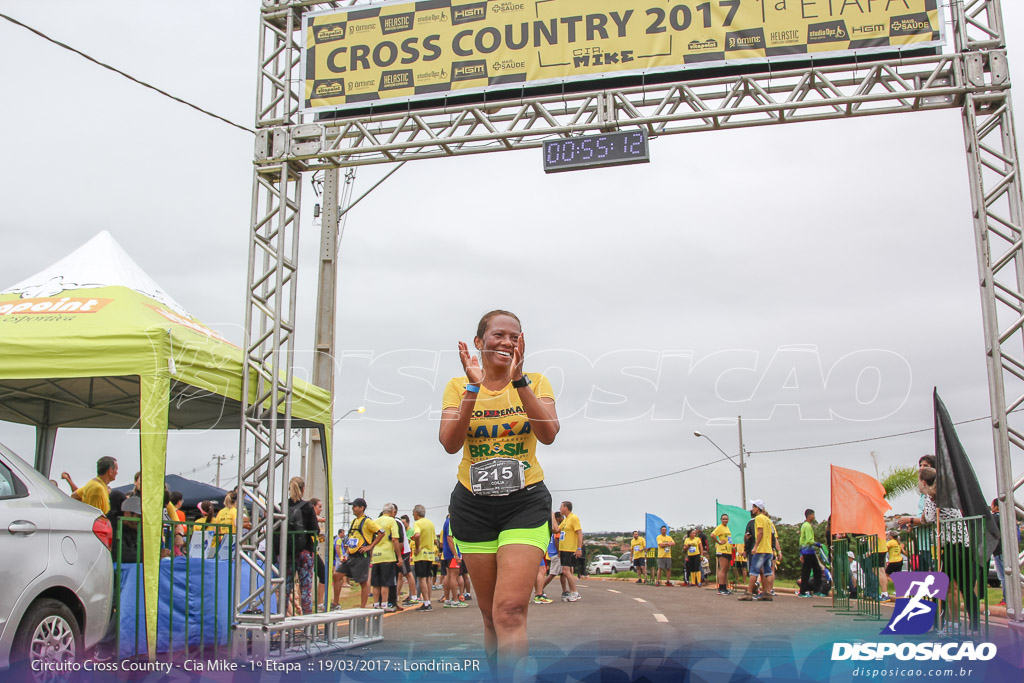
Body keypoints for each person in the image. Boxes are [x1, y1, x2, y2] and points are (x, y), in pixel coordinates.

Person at [438, 310, 560, 674]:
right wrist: (473, 388)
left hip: (524, 504)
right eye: (498, 335)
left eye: (515, 336)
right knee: (490, 615)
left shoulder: (536, 382)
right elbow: (449, 443)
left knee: (509, 611)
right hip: (473, 508)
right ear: (479, 342)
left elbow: (549, 433)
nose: (507, 342)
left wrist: (519, 381)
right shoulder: (459, 387)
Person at [334, 498, 383, 609]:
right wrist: (346, 554)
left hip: (362, 556)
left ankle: (362, 607)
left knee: (362, 582)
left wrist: (370, 546)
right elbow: (351, 539)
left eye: (355, 506)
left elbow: (381, 532)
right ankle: (336, 604)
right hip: (351, 556)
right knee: (336, 575)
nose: (353, 508)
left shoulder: (367, 521)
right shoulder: (354, 521)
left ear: (362, 508)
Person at [282, 477, 319, 615]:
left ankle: (282, 618)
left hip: (286, 553)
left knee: (285, 587)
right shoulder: (308, 507)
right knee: (305, 589)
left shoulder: (282, 506)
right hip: (304, 552)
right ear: (303, 489)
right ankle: (307, 622)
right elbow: (315, 529)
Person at [740, 500, 774, 601]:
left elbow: (760, 533)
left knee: (754, 571)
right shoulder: (768, 519)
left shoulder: (758, 518)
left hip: (761, 549)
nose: (752, 509)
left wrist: (755, 546)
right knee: (767, 571)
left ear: (757, 508)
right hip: (768, 549)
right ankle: (767, 592)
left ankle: (749, 592)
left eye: (754, 507)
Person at [371, 503, 404, 612]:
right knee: (385, 582)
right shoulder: (392, 521)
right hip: (387, 555)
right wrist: (399, 556)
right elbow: (395, 539)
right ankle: (384, 604)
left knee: (376, 582)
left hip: (376, 555)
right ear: (391, 512)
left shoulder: (376, 521)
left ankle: (376, 604)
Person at [410, 505, 437, 611]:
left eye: (413, 513)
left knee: (422, 578)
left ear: (416, 513)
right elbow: (435, 540)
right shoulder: (430, 523)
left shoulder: (417, 523)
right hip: (430, 554)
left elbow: (416, 535)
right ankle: (428, 600)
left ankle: (426, 603)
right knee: (428, 578)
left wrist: (417, 547)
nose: (413, 515)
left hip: (421, 554)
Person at [558, 501, 583, 601]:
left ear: (566, 508)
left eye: (561, 507)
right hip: (563, 549)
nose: (560, 509)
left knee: (566, 571)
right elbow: (556, 530)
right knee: (566, 572)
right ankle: (572, 591)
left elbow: (580, 533)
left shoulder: (573, 518)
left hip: (570, 549)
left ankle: (575, 592)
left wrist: (579, 548)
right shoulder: (565, 520)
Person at [440, 514, 466, 608]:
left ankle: (447, 599)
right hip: (453, 553)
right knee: (454, 576)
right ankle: (455, 600)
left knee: (449, 575)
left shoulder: (447, 521)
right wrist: (456, 555)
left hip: (447, 553)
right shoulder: (451, 521)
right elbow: (449, 538)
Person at [798, 509, 823, 598]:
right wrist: (818, 544)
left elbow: (801, 540)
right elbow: (809, 540)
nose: (814, 516)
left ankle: (816, 590)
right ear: (809, 515)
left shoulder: (804, 525)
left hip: (808, 551)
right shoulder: (807, 526)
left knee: (816, 570)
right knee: (807, 571)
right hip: (808, 552)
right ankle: (802, 592)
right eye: (813, 515)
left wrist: (800, 552)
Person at [397, 514, 419, 606]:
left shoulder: (410, 530)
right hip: (400, 551)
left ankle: (414, 596)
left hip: (404, 552)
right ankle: (397, 595)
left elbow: (408, 541)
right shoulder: (402, 528)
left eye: (404, 522)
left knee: (408, 573)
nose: (403, 524)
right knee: (400, 575)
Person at [710, 514, 733, 595]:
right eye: (723, 519)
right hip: (722, 550)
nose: (725, 520)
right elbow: (712, 535)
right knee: (723, 569)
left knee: (726, 569)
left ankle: (724, 587)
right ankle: (721, 588)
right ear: (721, 520)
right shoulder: (720, 527)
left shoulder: (727, 528)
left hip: (728, 550)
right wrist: (718, 542)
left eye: (726, 519)